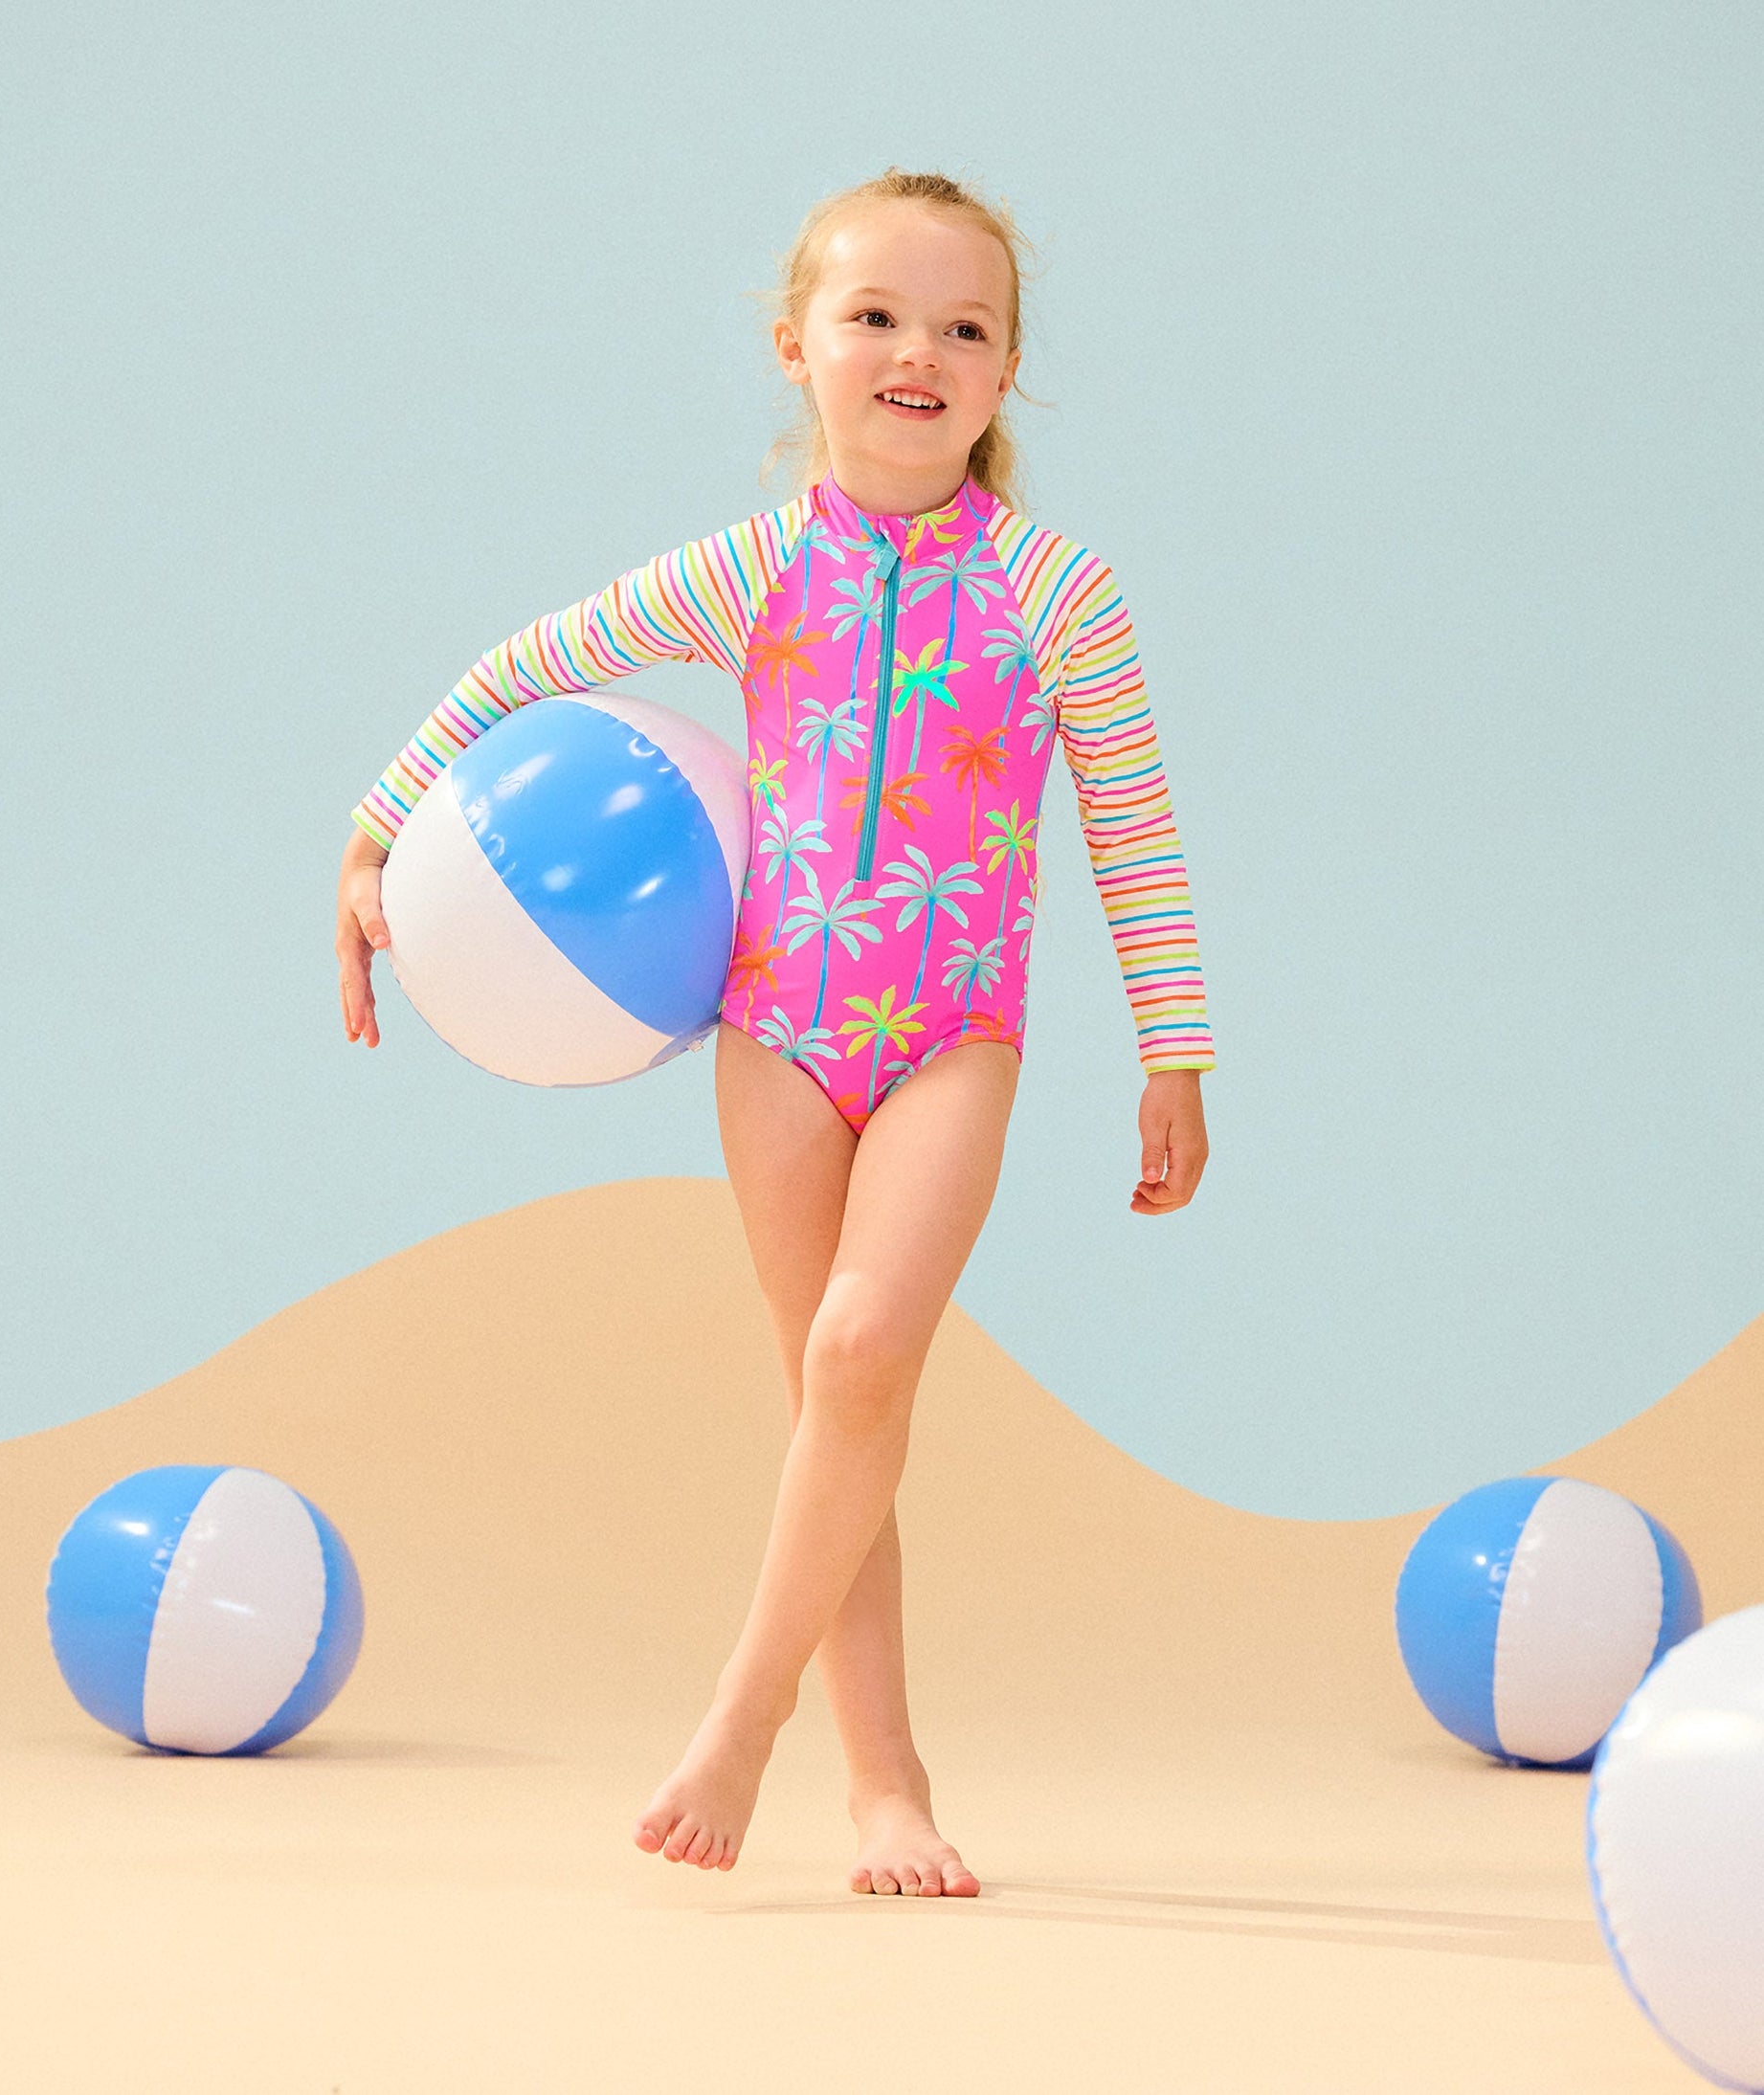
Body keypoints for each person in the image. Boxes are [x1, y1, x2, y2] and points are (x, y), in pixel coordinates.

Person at [335, 167, 1216, 1898]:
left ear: (1006, 369)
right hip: (776, 1033)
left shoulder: (1058, 592)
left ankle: (739, 1723)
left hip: (955, 1030)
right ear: (797, 345)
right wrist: (376, 829)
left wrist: (1173, 1052)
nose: (917, 349)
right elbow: (520, 667)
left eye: (964, 326)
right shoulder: (750, 572)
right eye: (875, 315)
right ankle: (886, 1785)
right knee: (840, 1395)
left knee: (859, 1355)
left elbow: (1134, 825)